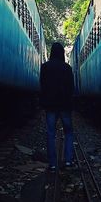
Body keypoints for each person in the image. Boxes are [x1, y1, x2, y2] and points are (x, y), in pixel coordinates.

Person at [40, 42, 74, 172]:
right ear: (62, 54)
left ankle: (53, 164)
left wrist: (44, 102)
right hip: (65, 106)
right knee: (69, 132)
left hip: (50, 106)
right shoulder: (67, 68)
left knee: (50, 133)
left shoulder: (45, 67)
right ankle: (69, 161)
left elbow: (42, 86)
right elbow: (71, 88)